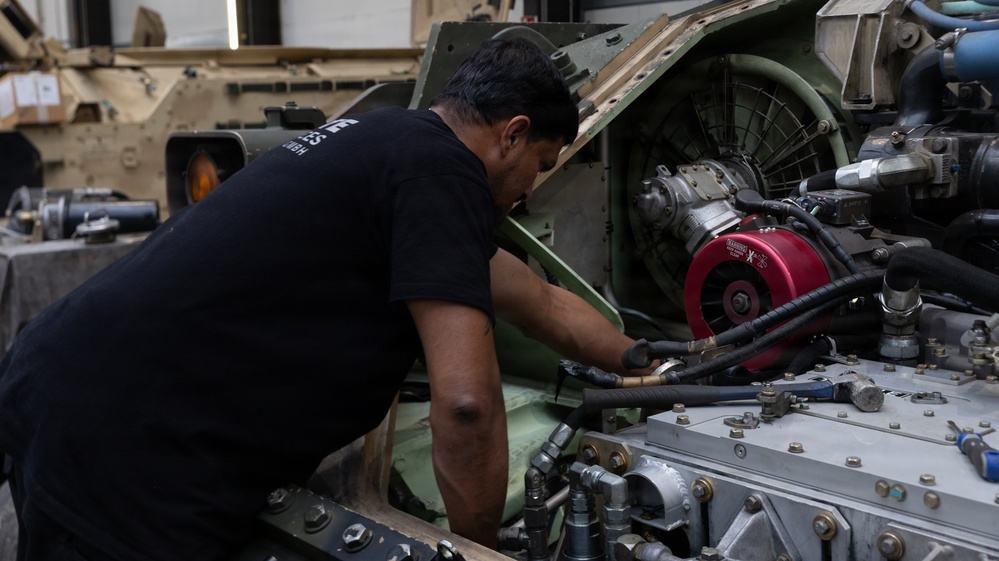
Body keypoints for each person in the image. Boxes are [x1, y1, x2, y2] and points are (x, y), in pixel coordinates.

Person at [0, 38, 646, 561]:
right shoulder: (442, 173)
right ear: (512, 134)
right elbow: (467, 405)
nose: (529, 192)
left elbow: (538, 301)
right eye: (540, 165)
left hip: (59, 383)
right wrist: (473, 551)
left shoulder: (388, 142)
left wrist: (649, 364)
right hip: (125, 449)